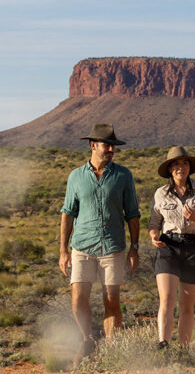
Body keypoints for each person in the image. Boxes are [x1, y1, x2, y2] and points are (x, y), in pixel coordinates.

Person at [58, 123, 141, 367]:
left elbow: (132, 214)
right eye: (107, 145)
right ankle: (88, 340)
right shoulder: (75, 176)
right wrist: (63, 251)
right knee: (77, 299)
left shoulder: (123, 175)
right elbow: (68, 213)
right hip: (82, 246)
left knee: (111, 299)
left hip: (113, 247)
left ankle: (112, 351)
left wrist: (134, 248)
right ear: (93, 146)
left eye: (113, 146)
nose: (112, 150)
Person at [148, 146, 195, 349]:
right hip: (168, 246)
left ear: (189, 167)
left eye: (184, 163)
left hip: (194, 247)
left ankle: (184, 350)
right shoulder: (161, 193)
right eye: (176, 164)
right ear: (170, 169)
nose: (181, 167)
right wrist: (153, 236)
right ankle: (163, 344)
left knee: (187, 305)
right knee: (167, 299)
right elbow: (154, 223)